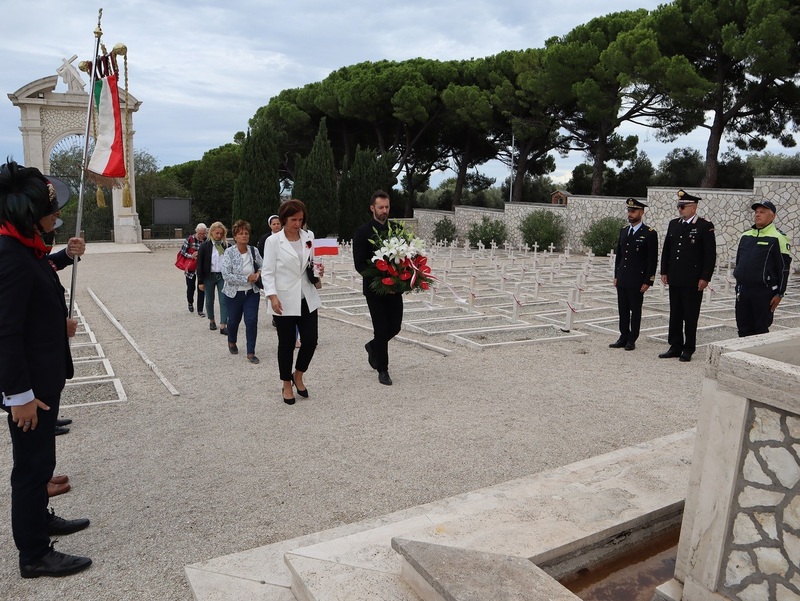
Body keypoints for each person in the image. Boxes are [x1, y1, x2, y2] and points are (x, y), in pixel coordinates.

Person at [0, 160, 92, 578]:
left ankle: (41, 517)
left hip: (43, 377)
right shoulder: (10, 256)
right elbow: (5, 332)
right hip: (30, 390)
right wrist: (17, 397)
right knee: (32, 467)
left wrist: (64, 257)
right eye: (51, 209)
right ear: (27, 211)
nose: (57, 215)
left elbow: (40, 277)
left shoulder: (23, 248)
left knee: (42, 461)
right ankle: (34, 554)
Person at [263, 200, 323, 405]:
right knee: (286, 344)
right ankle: (286, 383)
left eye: (300, 219)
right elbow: (268, 272)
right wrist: (272, 296)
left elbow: (312, 262)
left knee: (311, 340)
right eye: (293, 220)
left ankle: (298, 374)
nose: (297, 224)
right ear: (283, 219)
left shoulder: (309, 237)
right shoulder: (273, 242)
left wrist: (318, 273)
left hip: (306, 296)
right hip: (283, 299)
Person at [658, 189, 717, 362]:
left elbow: (709, 254)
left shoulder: (704, 226)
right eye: (679, 206)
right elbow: (667, 249)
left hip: (692, 279)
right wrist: (664, 271)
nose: (680, 210)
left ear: (694, 207)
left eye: (683, 207)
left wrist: (705, 277)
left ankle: (688, 348)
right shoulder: (674, 224)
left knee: (690, 314)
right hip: (675, 276)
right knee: (675, 313)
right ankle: (675, 345)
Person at [353, 190, 402, 386]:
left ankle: (373, 346)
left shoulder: (397, 229)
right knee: (381, 329)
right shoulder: (363, 232)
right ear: (372, 208)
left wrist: (398, 281)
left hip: (395, 289)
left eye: (387, 207)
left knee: (395, 326)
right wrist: (382, 281)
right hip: (375, 290)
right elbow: (360, 264)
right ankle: (383, 369)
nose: (384, 211)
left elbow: (405, 258)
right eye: (380, 207)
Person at [733, 200, 792, 337]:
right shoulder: (746, 235)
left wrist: (780, 293)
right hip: (743, 291)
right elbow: (739, 261)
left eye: (762, 212)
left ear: (772, 216)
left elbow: (783, 269)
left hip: (763, 293)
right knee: (742, 328)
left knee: (760, 330)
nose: (758, 215)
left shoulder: (778, 238)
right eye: (756, 212)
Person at [610, 198, 658, 351]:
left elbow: (652, 259)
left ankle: (632, 339)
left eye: (633, 211)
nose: (630, 214)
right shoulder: (624, 230)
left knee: (635, 310)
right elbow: (619, 256)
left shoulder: (649, 233)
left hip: (637, 279)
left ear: (641, 213)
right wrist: (616, 275)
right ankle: (623, 336)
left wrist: (648, 280)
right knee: (622, 309)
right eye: (629, 211)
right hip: (623, 277)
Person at [222, 220, 262, 364]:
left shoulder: (254, 250)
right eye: (241, 234)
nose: (244, 236)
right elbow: (226, 275)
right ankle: (231, 341)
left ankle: (251, 352)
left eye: (246, 233)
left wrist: (258, 274)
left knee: (251, 321)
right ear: (235, 236)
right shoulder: (229, 252)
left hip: (252, 292)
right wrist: (246, 278)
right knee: (233, 321)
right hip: (234, 294)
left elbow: (262, 266)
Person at [197, 222, 229, 334]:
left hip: (222, 276)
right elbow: (199, 264)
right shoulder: (204, 246)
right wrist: (200, 281)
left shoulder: (226, 246)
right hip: (208, 276)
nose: (219, 235)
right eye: (217, 233)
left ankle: (223, 324)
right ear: (211, 233)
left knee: (224, 300)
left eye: (221, 233)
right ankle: (211, 320)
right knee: (209, 300)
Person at [179, 223, 207, 315]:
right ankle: (190, 302)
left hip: (202, 268)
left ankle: (200, 310)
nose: (202, 236)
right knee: (191, 288)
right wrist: (191, 256)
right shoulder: (190, 239)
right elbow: (183, 252)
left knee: (202, 288)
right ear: (196, 231)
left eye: (203, 234)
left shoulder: (207, 240)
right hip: (191, 268)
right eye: (200, 234)